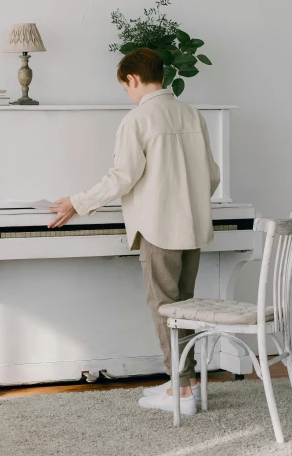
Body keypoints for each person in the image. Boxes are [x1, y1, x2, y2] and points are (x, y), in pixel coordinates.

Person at [48, 48, 220, 415]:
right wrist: (190, 203)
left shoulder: (137, 119)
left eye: (125, 86)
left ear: (133, 79)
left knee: (164, 309)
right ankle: (185, 383)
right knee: (184, 306)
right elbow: (212, 174)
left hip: (160, 227)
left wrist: (78, 202)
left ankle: (183, 396)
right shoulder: (193, 114)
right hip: (193, 226)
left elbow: (122, 178)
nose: (127, 93)